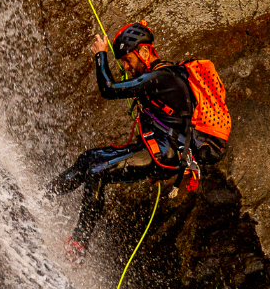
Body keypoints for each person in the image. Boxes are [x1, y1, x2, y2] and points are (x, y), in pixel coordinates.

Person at [49, 21, 228, 263]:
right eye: (122, 61)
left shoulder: (163, 77)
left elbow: (109, 89)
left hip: (165, 155)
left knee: (97, 173)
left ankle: (77, 247)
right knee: (88, 159)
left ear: (144, 52)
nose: (125, 66)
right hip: (157, 148)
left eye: (127, 59)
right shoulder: (159, 77)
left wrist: (101, 55)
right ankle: (42, 198)